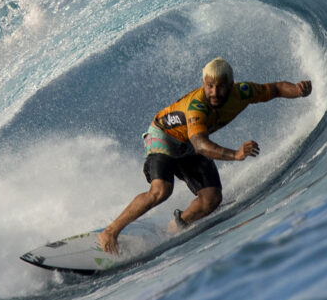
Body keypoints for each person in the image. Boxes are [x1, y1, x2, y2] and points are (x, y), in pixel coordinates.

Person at [98, 57, 312, 254]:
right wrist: (235, 154)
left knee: (211, 199)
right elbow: (201, 146)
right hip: (163, 136)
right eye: (209, 86)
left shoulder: (243, 92)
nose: (214, 92)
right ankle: (110, 231)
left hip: (189, 144)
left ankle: (175, 226)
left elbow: (273, 89)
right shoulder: (197, 106)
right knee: (161, 190)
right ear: (203, 84)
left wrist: (297, 89)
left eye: (220, 87)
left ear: (231, 84)